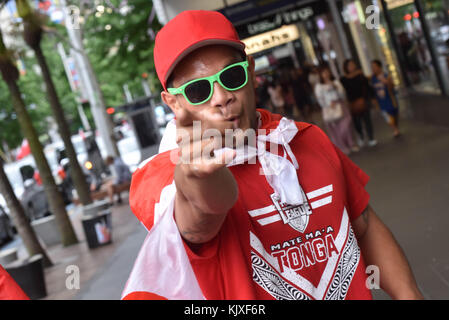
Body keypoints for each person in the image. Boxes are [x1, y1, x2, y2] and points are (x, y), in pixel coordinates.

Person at [122, 10, 423, 300]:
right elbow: (199, 219)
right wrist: (196, 177)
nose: (222, 97)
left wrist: (410, 295)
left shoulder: (306, 139)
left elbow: (364, 225)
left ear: (251, 72)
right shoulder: (163, 178)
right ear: (174, 104)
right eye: (198, 90)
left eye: (231, 76)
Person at [315, 65, 358, 155]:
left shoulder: (336, 82)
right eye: (324, 73)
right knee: (335, 129)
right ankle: (342, 147)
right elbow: (320, 99)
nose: (326, 74)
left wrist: (336, 88)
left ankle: (351, 144)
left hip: (341, 106)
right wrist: (327, 104)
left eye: (327, 72)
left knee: (347, 126)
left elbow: (343, 94)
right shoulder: (319, 86)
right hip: (329, 109)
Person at [340, 59, 377, 148]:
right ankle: (361, 136)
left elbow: (367, 86)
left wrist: (372, 97)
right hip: (352, 103)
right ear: (346, 67)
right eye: (349, 65)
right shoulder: (343, 79)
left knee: (367, 120)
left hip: (363, 100)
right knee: (357, 122)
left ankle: (371, 138)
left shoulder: (360, 75)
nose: (352, 66)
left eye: (353, 64)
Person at [371, 60, 401, 138]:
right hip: (382, 102)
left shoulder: (387, 75)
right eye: (372, 67)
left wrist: (387, 82)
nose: (373, 68)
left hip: (391, 100)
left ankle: (396, 127)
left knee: (395, 115)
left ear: (379, 67)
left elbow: (392, 86)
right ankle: (395, 129)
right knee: (388, 116)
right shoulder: (373, 78)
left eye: (375, 66)